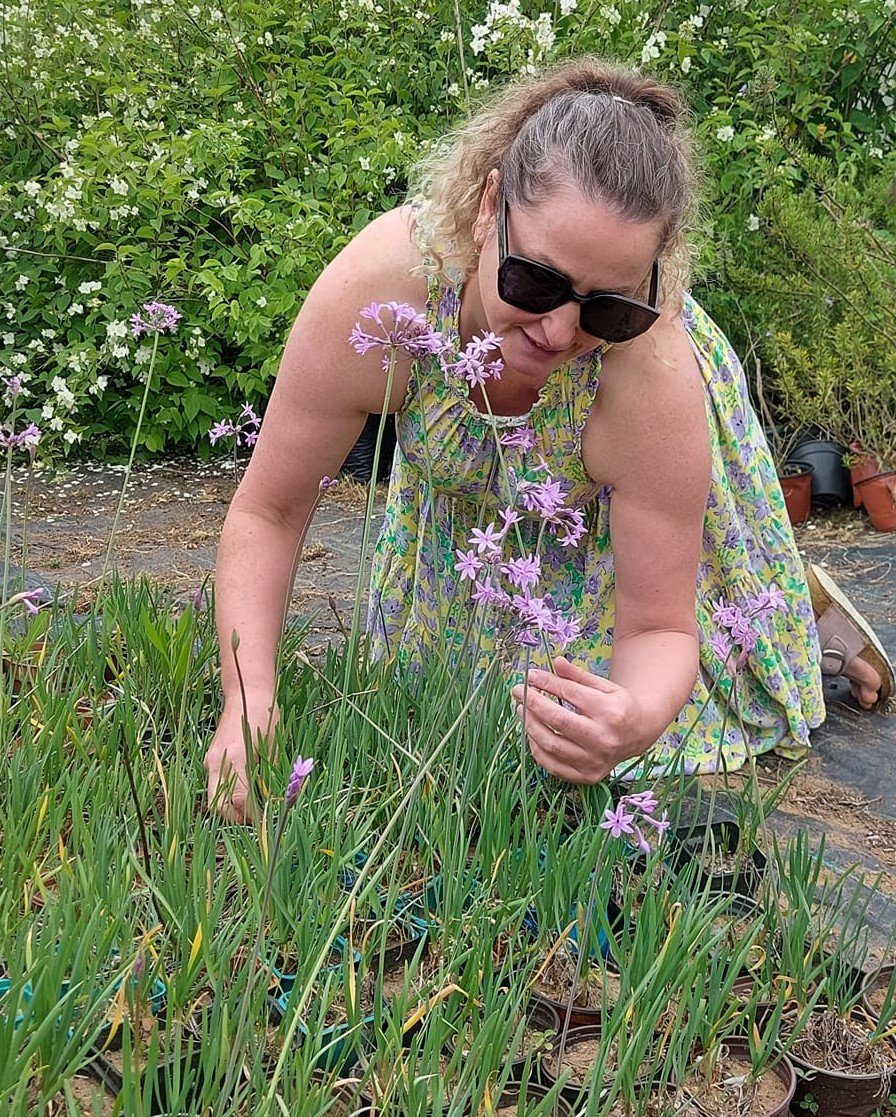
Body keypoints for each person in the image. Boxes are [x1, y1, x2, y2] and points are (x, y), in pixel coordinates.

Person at [205, 57, 892, 823]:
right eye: (537, 279)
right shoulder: (384, 299)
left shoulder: (648, 370)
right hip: (482, 520)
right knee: (456, 718)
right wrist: (248, 703)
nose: (561, 331)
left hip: (629, 483)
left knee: (675, 699)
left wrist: (629, 716)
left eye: (608, 305)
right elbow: (268, 512)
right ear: (486, 206)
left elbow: (659, 626)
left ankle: (788, 602)